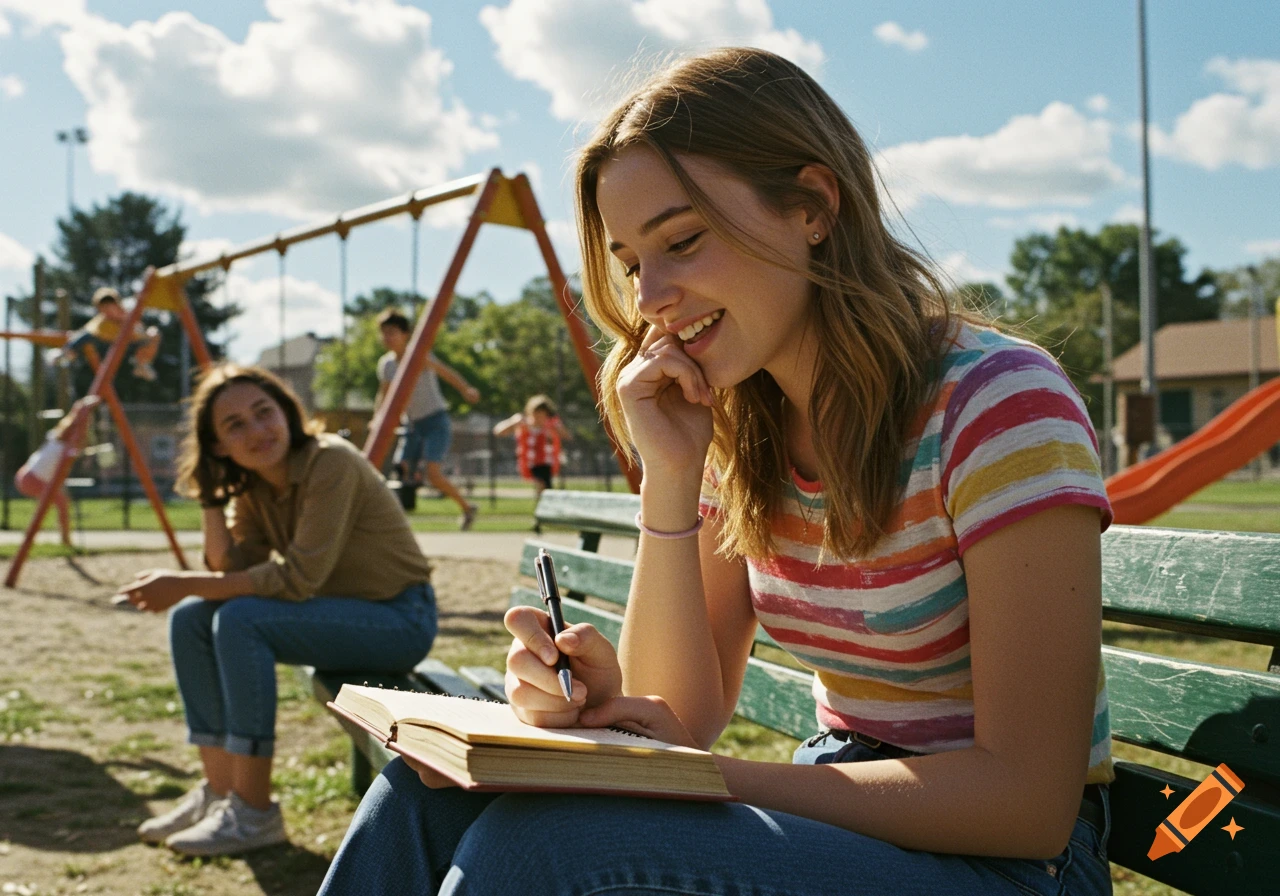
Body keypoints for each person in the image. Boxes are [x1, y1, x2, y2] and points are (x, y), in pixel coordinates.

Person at [320, 47, 1115, 896]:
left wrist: (709, 780)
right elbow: (677, 713)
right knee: (418, 794)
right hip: (844, 812)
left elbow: (1025, 802)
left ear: (812, 205)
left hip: (1014, 866)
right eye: (631, 264)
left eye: (683, 241)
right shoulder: (742, 423)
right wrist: (670, 475)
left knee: (546, 849)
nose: (650, 296)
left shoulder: (996, 403)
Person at [117, 364, 437, 857]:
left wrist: (184, 582)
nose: (256, 430)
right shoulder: (254, 486)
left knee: (241, 619)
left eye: (263, 412)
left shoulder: (331, 462)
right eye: (235, 425)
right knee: (191, 617)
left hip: (398, 618)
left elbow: (296, 579)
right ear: (219, 446)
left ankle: (253, 811)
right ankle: (221, 790)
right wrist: (209, 493)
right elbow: (231, 565)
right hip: (336, 616)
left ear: (287, 413)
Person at [374, 308, 481, 530]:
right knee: (399, 468)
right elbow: (383, 393)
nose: (387, 338)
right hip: (411, 424)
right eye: (383, 333)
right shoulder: (386, 364)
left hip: (435, 420)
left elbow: (446, 372)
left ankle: (467, 507)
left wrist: (465, 389)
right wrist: (378, 418)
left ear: (406, 334)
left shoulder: (419, 356)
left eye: (392, 332)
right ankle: (394, 521)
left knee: (433, 473)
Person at [13, 395, 100, 547]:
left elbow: (74, 419)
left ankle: (32, 537)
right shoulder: (65, 442)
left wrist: (83, 408)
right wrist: (85, 408)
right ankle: (64, 540)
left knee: (53, 505)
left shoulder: (57, 436)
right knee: (60, 503)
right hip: (33, 478)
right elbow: (77, 425)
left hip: (27, 474)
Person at [493, 394, 571, 529]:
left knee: (545, 489)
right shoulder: (523, 424)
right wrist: (513, 421)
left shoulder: (550, 425)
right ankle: (543, 515)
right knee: (543, 487)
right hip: (531, 463)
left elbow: (567, 436)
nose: (539, 418)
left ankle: (541, 517)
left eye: (543, 415)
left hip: (547, 463)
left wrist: (557, 427)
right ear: (531, 413)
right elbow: (498, 431)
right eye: (537, 414)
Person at [62, 286, 161, 381]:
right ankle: (65, 354)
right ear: (100, 309)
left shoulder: (128, 312)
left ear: (117, 303)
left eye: (110, 305)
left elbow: (140, 328)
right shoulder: (101, 322)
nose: (108, 309)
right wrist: (70, 347)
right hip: (108, 349)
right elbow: (85, 333)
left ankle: (141, 364)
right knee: (83, 337)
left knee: (153, 333)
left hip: (128, 346)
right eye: (104, 307)